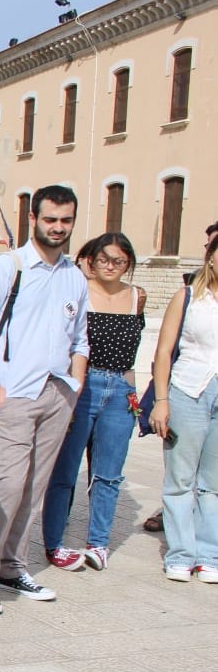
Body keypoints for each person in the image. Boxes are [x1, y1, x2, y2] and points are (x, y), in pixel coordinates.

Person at [0, 185, 88, 613]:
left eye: (65, 220)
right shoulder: (6, 268)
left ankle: (12, 567)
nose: (57, 227)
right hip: (15, 391)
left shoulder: (74, 275)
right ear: (33, 219)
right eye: (50, 219)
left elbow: (81, 337)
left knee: (36, 485)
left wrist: (77, 382)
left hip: (58, 392)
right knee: (8, 486)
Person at [41, 232, 144, 572]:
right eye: (104, 259)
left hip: (120, 389)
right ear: (92, 260)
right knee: (65, 471)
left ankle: (98, 543)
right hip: (83, 385)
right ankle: (54, 542)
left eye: (119, 261)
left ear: (128, 263)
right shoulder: (80, 292)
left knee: (109, 475)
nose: (111, 266)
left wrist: (133, 397)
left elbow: (132, 357)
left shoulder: (136, 297)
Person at [149, 228, 218, 583]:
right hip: (188, 390)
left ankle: (209, 555)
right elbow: (163, 352)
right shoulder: (189, 296)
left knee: (213, 483)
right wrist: (161, 401)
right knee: (180, 479)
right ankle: (180, 554)